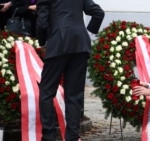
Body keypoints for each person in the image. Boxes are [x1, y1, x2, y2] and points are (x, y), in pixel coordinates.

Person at [36, 0, 104, 140]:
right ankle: (72, 136)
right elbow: (98, 13)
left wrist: (42, 42)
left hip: (57, 43)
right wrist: (88, 34)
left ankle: (49, 136)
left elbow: (42, 23)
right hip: (80, 45)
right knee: (74, 95)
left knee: (47, 91)